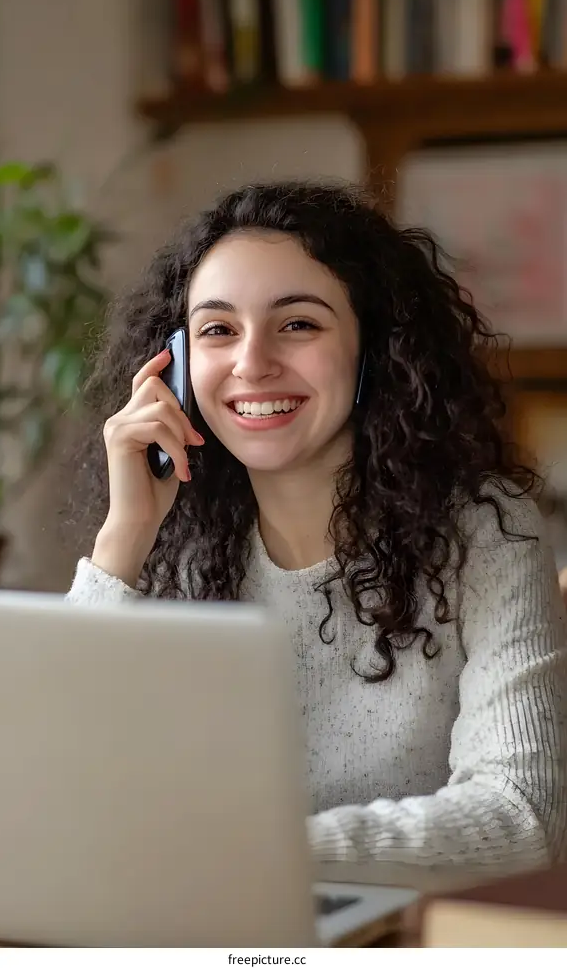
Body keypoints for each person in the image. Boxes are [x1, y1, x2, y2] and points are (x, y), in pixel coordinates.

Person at [68, 181, 567, 892]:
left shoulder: (486, 531)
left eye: (298, 324)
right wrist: (125, 536)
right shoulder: (172, 541)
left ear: (377, 347)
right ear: (174, 366)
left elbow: (521, 815)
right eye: (217, 329)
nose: (251, 362)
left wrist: (252, 854)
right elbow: (58, 790)